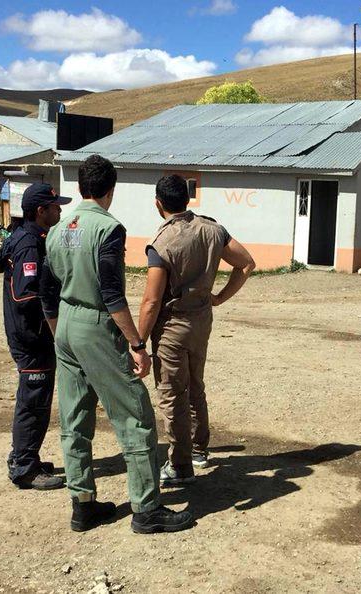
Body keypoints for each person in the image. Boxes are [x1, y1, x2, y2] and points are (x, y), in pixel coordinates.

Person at [39, 155, 193, 534]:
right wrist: (136, 343)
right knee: (135, 417)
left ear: (79, 188)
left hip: (65, 325)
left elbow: (47, 290)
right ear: (111, 190)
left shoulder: (58, 230)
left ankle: (83, 504)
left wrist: (63, 332)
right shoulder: (108, 229)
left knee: (74, 419)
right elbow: (111, 293)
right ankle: (146, 508)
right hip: (95, 325)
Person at [138, 174, 255, 486]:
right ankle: (200, 449)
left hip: (172, 326)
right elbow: (245, 264)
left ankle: (180, 464)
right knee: (195, 385)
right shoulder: (212, 229)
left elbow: (151, 301)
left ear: (158, 204)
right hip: (201, 320)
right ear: (187, 200)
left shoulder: (161, 244)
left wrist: (137, 342)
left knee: (172, 393)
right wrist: (219, 297)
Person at [0, 182, 71, 491]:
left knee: (35, 399)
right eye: (55, 207)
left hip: (33, 336)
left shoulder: (29, 237)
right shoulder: (28, 243)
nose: (60, 210)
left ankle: (26, 457)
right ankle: (24, 467)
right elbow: (26, 297)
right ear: (41, 211)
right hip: (32, 337)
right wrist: (55, 310)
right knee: (33, 401)